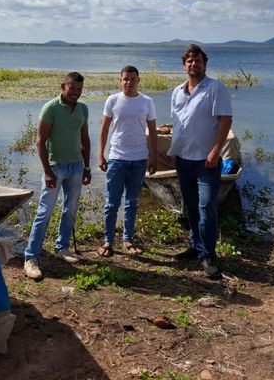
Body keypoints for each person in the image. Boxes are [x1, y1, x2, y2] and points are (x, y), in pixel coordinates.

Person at [168, 44, 233, 280]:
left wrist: (216, 151)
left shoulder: (215, 88)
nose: (193, 64)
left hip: (207, 160)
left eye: (198, 61)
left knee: (207, 207)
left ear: (205, 64)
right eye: (189, 61)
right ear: (184, 65)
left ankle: (208, 255)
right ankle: (195, 245)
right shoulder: (177, 91)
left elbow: (225, 120)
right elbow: (178, 123)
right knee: (191, 207)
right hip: (183, 158)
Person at [23, 72, 91, 281]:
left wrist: (87, 167)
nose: (75, 93)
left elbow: (85, 139)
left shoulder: (82, 109)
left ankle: (62, 248)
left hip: (76, 166)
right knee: (44, 211)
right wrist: (47, 171)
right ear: (63, 87)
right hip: (56, 168)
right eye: (72, 88)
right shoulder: (51, 108)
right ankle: (31, 258)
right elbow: (40, 142)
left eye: (79, 90)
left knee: (70, 210)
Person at [97, 66, 158, 257]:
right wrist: (100, 154)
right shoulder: (113, 100)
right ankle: (108, 241)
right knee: (111, 203)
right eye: (125, 79)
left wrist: (153, 156)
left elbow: (153, 131)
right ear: (120, 80)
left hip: (139, 159)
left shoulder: (147, 102)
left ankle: (127, 239)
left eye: (132, 79)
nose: (129, 83)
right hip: (117, 158)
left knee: (132, 202)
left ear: (138, 80)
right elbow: (104, 128)